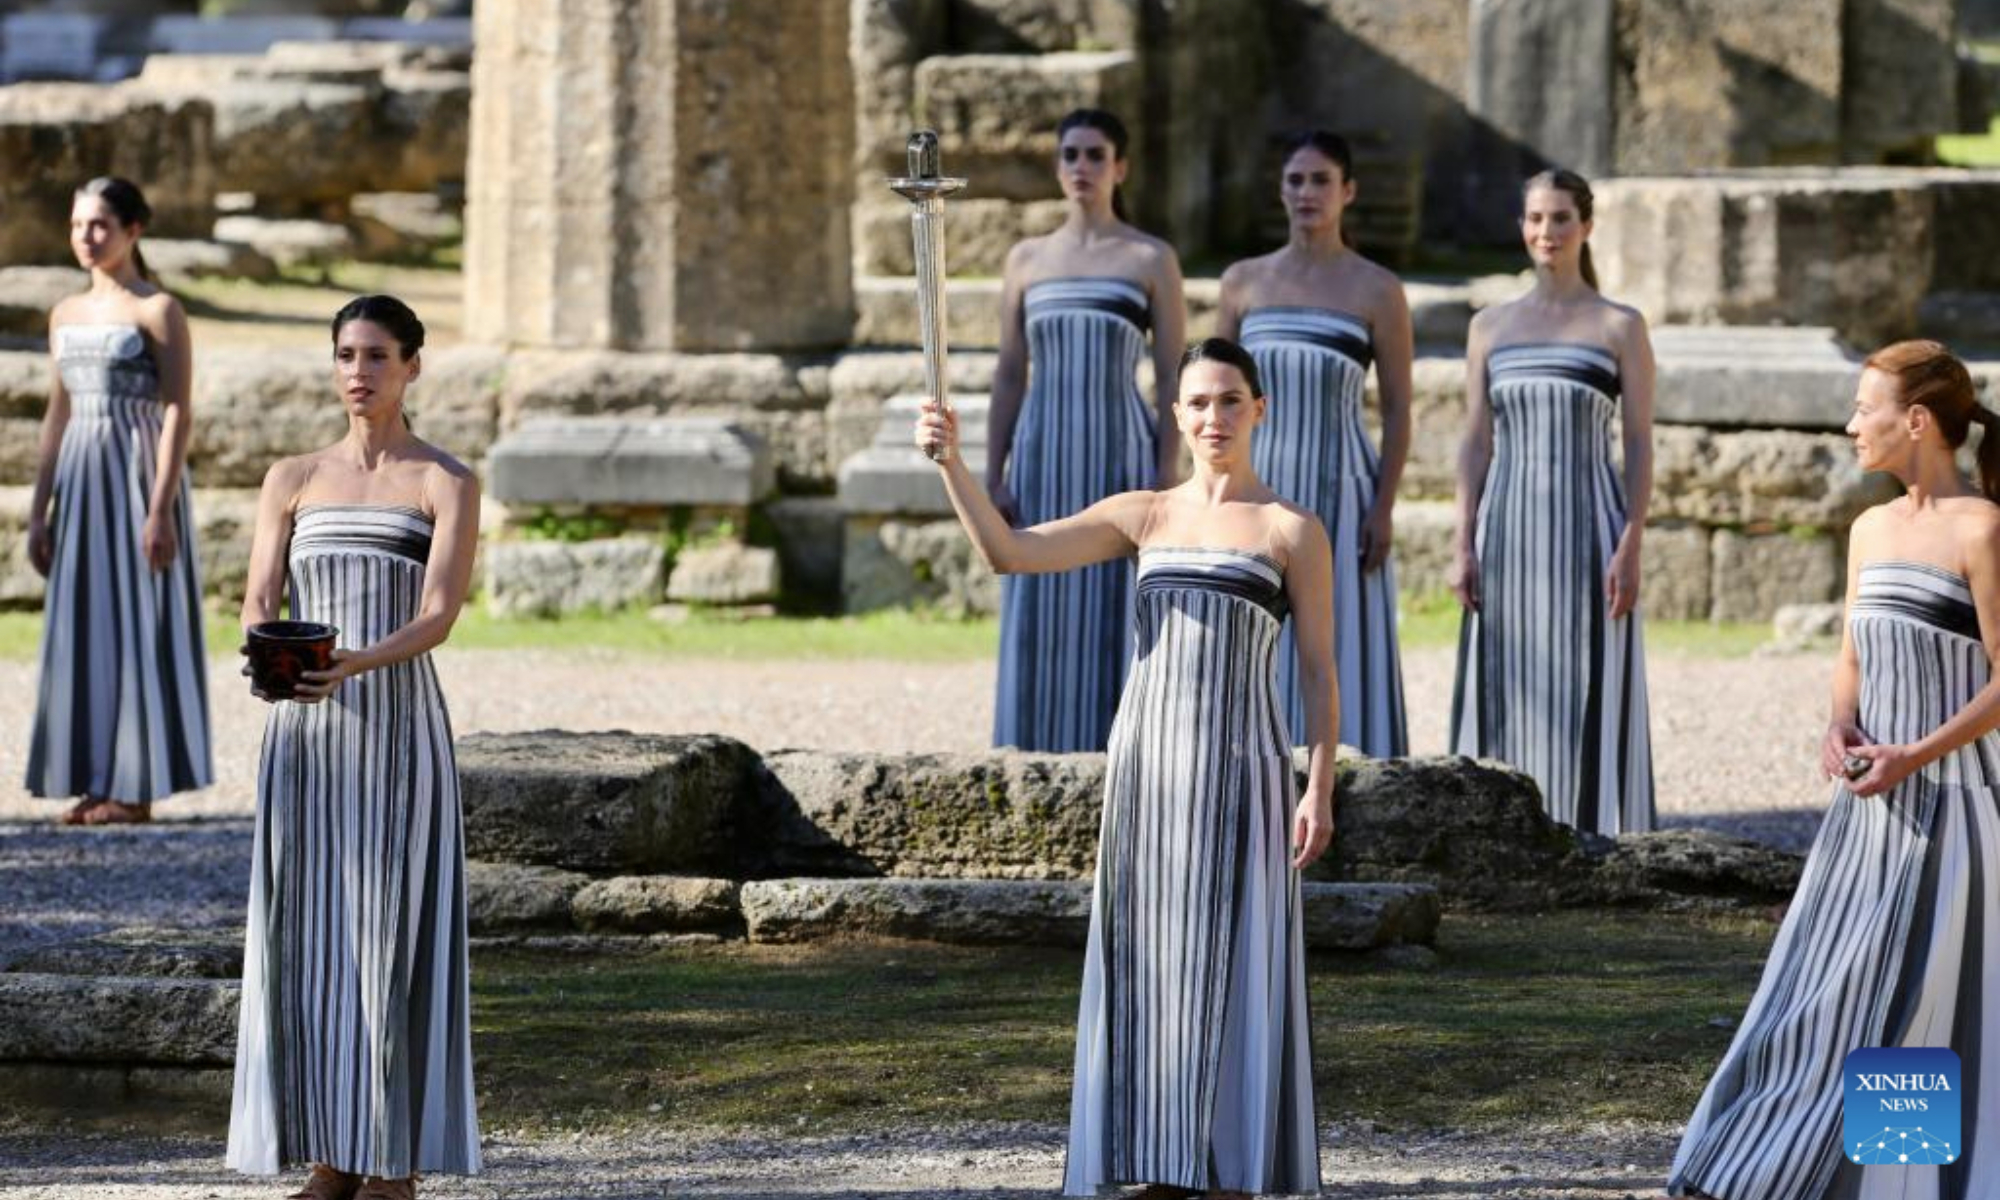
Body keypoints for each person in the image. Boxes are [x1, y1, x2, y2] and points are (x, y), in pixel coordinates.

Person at [920, 338, 1333, 1198]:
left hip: (1245, 772)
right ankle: (1152, 1161)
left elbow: (1319, 671)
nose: (1213, 417)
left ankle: (1227, 1163)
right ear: (1175, 415)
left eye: (1229, 400)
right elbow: (1009, 551)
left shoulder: (1290, 529)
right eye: (1197, 403)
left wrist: (1318, 787)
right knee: (1145, 961)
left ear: (1259, 409)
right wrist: (954, 465)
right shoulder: (1144, 515)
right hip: (1147, 768)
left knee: (1234, 961)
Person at [1668, 341, 2000, 1200]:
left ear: (1917, 421)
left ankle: (1902, 1181)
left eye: (1865, 407)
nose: (1851, 424)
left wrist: (1914, 755)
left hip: (1956, 816)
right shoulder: (1869, 528)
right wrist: (1838, 724)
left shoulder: (1985, 529)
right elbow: (1852, 654)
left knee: (1923, 998)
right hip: (1865, 813)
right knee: (1830, 987)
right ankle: (1809, 1158)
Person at [227, 296, 481, 1200]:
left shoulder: (443, 481)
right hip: (304, 737)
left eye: (377, 355)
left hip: (398, 736)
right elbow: (260, 597)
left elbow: (439, 615)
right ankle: (330, 1160)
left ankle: (394, 1168)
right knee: (309, 936)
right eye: (345, 354)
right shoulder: (291, 477)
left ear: (413, 365)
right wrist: (271, 659)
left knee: (389, 935)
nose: (358, 372)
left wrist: (353, 662)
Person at [1448, 167, 1655, 835]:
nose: (1547, 232)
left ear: (1586, 226)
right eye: (1536, 218)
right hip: (1505, 529)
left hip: (1591, 529)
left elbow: (1640, 443)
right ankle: (1498, 839)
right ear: (1522, 227)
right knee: (1505, 678)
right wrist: (1463, 540)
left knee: (1587, 681)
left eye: (1561, 218)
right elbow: (1476, 440)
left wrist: (1632, 540)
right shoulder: (1490, 327)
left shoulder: (1620, 326)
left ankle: (1594, 833)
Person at [986, 107, 1187, 752]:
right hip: (1042, 453)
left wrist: (1166, 476)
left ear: (1120, 167)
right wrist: (994, 472)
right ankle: (1030, 755)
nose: (1082, 167)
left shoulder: (1151, 258)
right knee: (1037, 595)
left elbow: (1171, 379)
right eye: (1071, 154)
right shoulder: (1026, 260)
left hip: (1118, 454)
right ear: (1057, 166)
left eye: (1096, 155)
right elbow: (1010, 372)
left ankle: (1118, 758)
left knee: (1113, 606)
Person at [1218, 129, 1412, 756]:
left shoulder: (1378, 290)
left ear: (1348, 191)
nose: (1307, 192)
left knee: (1342, 643)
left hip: (1343, 493)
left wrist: (1383, 506)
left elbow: (1401, 410)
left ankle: (1354, 783)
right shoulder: (1243, 283)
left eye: (1321, 180)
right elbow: (1213, 395)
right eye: (1296, 180)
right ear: (1281, 190)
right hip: (1259, 489)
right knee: (1254, 634)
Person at [25, 176, 212, 825]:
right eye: (79, 225)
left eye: (100, 225)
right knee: (84, 626)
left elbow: (178, 410)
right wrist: (38, 509)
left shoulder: (159, 310)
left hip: (136, 477)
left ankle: (135, 786)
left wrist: (159, 508)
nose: (87, 237)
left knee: (137, 619)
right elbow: (57, 415)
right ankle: (93, 777)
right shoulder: (65, 314)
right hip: (80, 478)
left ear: (134, 230)